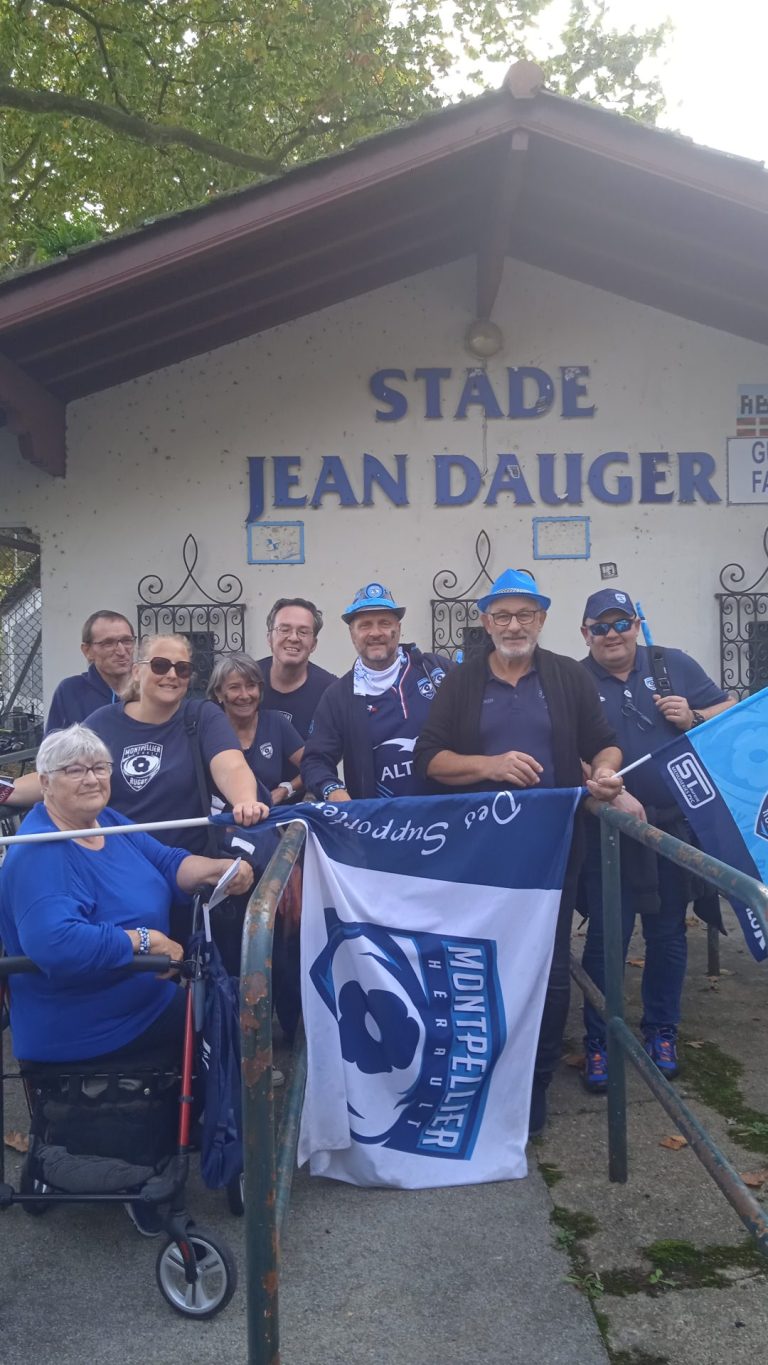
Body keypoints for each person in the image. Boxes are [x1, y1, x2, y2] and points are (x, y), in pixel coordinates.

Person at [412, 567, 624, 1137]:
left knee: (549, 967)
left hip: (552, 847)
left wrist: (604, 770)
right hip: (480, 851)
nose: (513, 624)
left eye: (525, 614)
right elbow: (428, 760)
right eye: (502, 615)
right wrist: (490, 765)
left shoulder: (566, 677)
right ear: (485, 621)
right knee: (477, 964)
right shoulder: (461, 681)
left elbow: (602, 741)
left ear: (542, 620)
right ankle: (480, 1080)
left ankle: (534, 1087)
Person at [0, 724, 254, 1067]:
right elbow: (55, 943)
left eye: (99, 768)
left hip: (146, 1001)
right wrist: (148, 940)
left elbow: (166, 861)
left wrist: (219, 869)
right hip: (93, 1030)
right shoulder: (41, 852)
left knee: (229, 1007)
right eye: (74, 770)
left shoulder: (102, 821)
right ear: (45, 783)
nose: (91, 779)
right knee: (227, 1020)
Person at [578, 587, 735, 1093]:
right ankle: (601, 1040)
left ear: (636, 625)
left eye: (620, 622)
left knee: (668, 934)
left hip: (672, 826)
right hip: (608, 831)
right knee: (608, 936)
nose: (611, 634)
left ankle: (661, 1031)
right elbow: (560, 743)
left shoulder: (673, 665)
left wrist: (691, 717)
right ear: (585, 634)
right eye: (599, 627)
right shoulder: (575, 679)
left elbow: (728, 711)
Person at [83, 634, 269, 854]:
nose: (172, 675)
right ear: (136, 671)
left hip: (186, 861)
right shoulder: (102, 722)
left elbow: (231, 766)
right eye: (160, 665)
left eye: (182, 669)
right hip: (119, 858)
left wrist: (245, 801)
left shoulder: (203, 716)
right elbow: (60, 771)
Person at [301, 582, 450, 801]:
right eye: (365, 625)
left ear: (398, 629)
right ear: (352, 633)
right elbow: (315, 760)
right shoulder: (338, 695)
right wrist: (333, 790)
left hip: (447, 816)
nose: (375, 633)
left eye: (384, 623)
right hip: (379, 825)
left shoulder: (435, 670)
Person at [207, 653, 304, 805]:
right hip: (220, 823)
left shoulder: (276, 723)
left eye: (251, 686)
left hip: (267, 822)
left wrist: (287, 788)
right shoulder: (208, 731)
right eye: (234, 687)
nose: (245, 695)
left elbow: (313, 766)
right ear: (218, 693)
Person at [257, 597, 337, 739]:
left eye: (303, 632)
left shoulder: (331, 691)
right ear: (269, 638)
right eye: (284, 629)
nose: (293, 638)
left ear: (313, 644)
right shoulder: (247, 680)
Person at [46, 610, 136, 732]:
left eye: (127, 641)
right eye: (108, 643)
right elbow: (54, 748)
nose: (121, 651)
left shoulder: (149, 688)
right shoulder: (71, 691)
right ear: (87, 651)